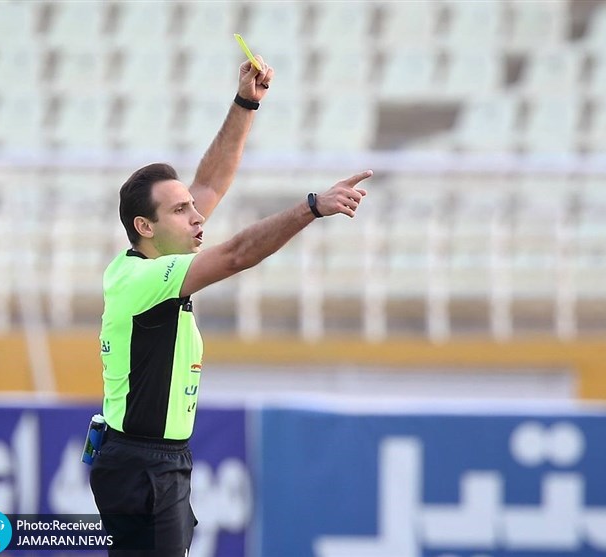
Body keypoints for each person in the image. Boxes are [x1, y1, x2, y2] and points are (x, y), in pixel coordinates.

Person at [89, 54, 372, 556]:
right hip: (142, 466)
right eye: (182, 210)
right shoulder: (144, 278)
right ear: (145, 227)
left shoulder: (154, 260)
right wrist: (311, 207)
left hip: (150, 460)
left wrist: (246, 103)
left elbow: (212, 183)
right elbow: (238, 254)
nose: (198, 215)